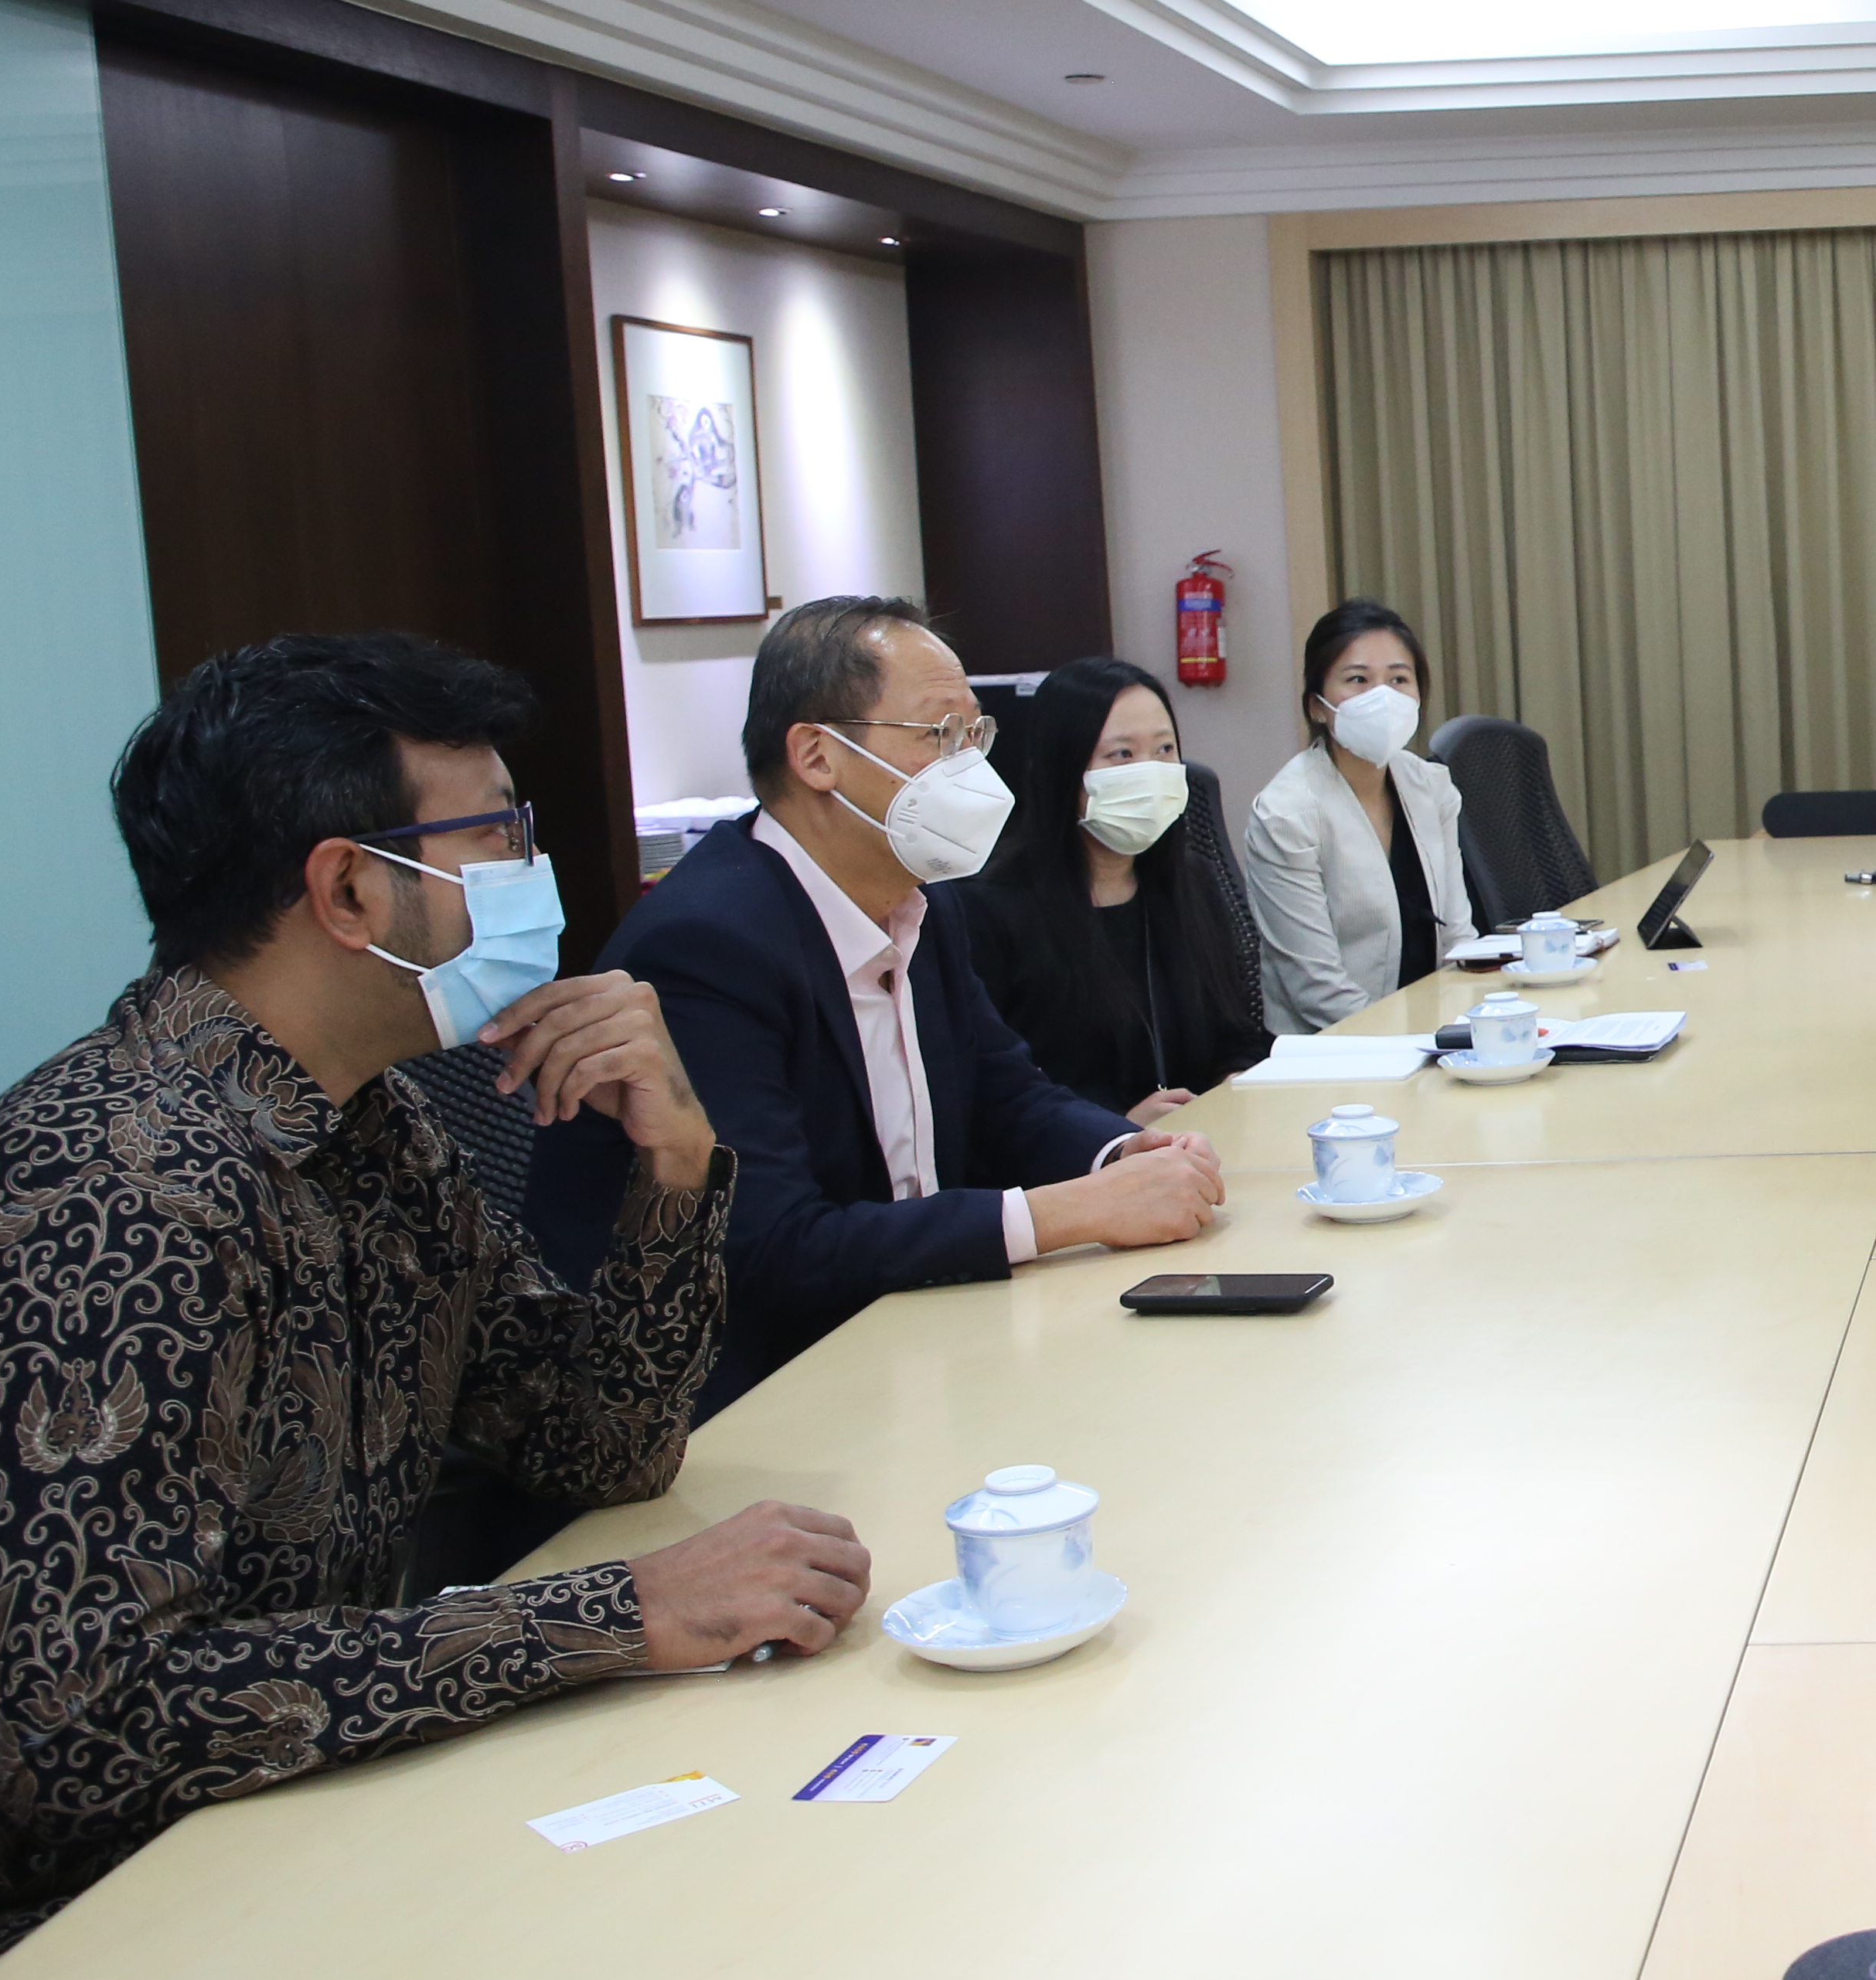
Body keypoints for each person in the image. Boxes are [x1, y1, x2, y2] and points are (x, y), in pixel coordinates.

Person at [0, 634, 872, 1980]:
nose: (536, 874)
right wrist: (608, 1615)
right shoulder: (100, 1204)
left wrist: (674, 1174)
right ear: (348, 889)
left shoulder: (366, 1119)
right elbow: (83, 1731)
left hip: (266, 1824)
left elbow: (601, 1443)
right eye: (499, 836)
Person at [552, 597, 1224, 1415]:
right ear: (816, 755)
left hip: (920, 1338)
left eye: (976, 738)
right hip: (762, 1394)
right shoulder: (707, 947)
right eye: (940, 736)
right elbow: (774, 1247)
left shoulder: (922, 902)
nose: (970, 768)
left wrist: (1124, 1154)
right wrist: (1062, 1213)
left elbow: (1005, 1091)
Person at [948, 655, 1274, 1122]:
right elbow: (999, 1091)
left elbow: (1238, 1033)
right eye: (1122, 755)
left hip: (1206, 1147)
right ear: (1063, 769)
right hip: (1083, 1169)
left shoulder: (1192, 880)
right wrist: (1118, 1129)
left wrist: (1233, 1081)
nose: (1152, 771)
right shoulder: (990, 909)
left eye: (1164, 750)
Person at [1241, 598, 1473, 1035]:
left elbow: (1459, 939)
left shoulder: (1431, 787)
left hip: (1437, 1037)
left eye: (1399, 679)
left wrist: (1476, 1026)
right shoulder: (1286, 814)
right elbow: (1317, 990)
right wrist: (1415, 1048)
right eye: (1358, 680)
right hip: (1339, 1053)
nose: (1382, 696)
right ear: (1316, 706)